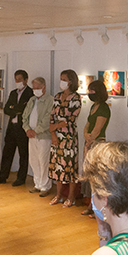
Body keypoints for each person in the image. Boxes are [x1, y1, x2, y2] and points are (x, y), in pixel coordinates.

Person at [0, 70, 34, 186]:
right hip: (11, 128)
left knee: (23, 155)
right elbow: (6, 109)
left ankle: (21, 178)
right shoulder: (13, 93)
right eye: (16, 79)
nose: (17, 82)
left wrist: (14, 108)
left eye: (20, 79)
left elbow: (25, 110)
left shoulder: (30, 93)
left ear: (26, 80)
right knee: (7, 153)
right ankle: (2, 176)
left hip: (23, 129)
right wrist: (16, 109)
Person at [48, 69, 81, 208]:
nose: (61, 81)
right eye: (61, 78)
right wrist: (53, 133)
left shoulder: (76, 98)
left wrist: (55, 127)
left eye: (64, 79)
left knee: (69, 167)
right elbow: (52, 116)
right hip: (57, 136)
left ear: (71, 81)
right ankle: (58, 195)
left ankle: (71, 197)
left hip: (69, 137)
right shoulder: (57, 96)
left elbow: (71, 118)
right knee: (57, 166)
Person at [80, 80, 111, 217]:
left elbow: (97, 129)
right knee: (89, 176)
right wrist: (86, 135)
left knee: (96, 178)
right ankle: (90, 205)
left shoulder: (104, 108)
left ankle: (97, 208)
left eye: (92, 91)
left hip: (97, 144)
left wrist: (89, 141)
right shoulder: (94, 106)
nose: (90, 93)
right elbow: (87, 125)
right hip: (89, 142)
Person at [22, 77, 53, 197]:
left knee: (43, 161)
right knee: (34, 160)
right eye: (34, 88)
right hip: (31, 135)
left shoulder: (50, 100)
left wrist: (37, 131)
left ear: (44, 87)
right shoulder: (32, 100)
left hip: (43, 136)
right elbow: (25, 116)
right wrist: (27, 129)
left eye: (37, 88)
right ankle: (37, 184)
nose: (35, 90)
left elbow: (48, 118)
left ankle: (45, 186)